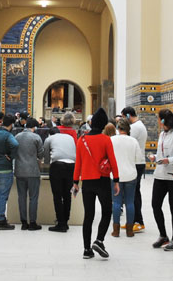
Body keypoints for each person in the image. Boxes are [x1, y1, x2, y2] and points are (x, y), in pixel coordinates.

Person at [73, 108, 120, 259]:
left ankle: (86, 250)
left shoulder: (82, 140)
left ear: (91, 123)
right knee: (107, 211)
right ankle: (99, 240)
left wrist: (75, 182)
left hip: (86, 181)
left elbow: (78, 164)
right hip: (102, 180)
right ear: (104, 124)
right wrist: (117, 180)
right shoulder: (106, 140)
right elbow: (112, 161)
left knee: (88, 215)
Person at [148, 109, 173, 251]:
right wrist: (156, 158)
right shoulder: (163, 134)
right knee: (155, 204)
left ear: (163, 120)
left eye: (159, 119)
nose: (158, 122)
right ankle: (163, 235)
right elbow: (161, 153)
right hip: (160, 175)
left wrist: (169, 160)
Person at [110, 119, 141, 237]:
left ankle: (116, 230)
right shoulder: (133, 141)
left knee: (116, 202)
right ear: (128, 129)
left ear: (118, 128)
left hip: (116, 175)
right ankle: (129, 230)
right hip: (130, 174)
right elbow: (138, 159)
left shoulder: (112, 140)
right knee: (130, 202)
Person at [43, 126, 76, 232]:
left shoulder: (49, 139)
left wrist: (47, 163)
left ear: (50, 134)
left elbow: (46, 158)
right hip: (72, 166)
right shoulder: (69, 137)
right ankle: (66, 221)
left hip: (57, 166)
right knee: (67, 195)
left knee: (57, 196)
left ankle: (60, 223)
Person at [15, 117, 45, 230]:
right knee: (33, 198)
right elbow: (41, 155)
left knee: (21, 197)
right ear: (34, 127)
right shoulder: (36, 137)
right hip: (33, 171)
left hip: (19, 171)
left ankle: (23, 222)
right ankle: (32, 223)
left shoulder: (17, 136)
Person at [122, 106, 148, 232]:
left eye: (123, 117)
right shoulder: (139, 125)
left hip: (137, 162)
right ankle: (132, 220)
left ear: (127, 116)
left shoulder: (135, 127)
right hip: (137, 161)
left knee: (134, 193)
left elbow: (127, 141)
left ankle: (138, 221)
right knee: (133, 192)